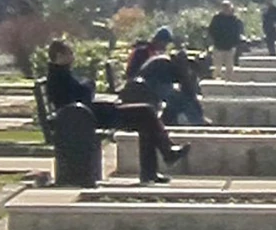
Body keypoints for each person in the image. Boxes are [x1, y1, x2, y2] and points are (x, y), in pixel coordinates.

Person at [45, 41, 188, 184]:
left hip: (87, 115)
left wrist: (88, 88)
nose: (73, 57)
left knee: (146, 117)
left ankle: (158, 164)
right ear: (59, 56)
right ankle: (163, 157)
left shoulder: (60, 73)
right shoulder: (59, 76)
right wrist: (89, 86)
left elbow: (77, 97)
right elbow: (78, 99)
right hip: (86, 118)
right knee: (146, 113)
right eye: (70, 53)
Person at [208, 0, 243, 78]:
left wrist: (235, 42)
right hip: (218, 45)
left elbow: (238, 31)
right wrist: (214, 39)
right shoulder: (217, 18)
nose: (226, 9)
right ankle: (216, 81)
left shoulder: (234, 19)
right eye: (224, 7)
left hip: (230, 46)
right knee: (217, 66)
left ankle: (229, 81)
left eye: (227, 7)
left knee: (230, 66)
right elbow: (211, 30)